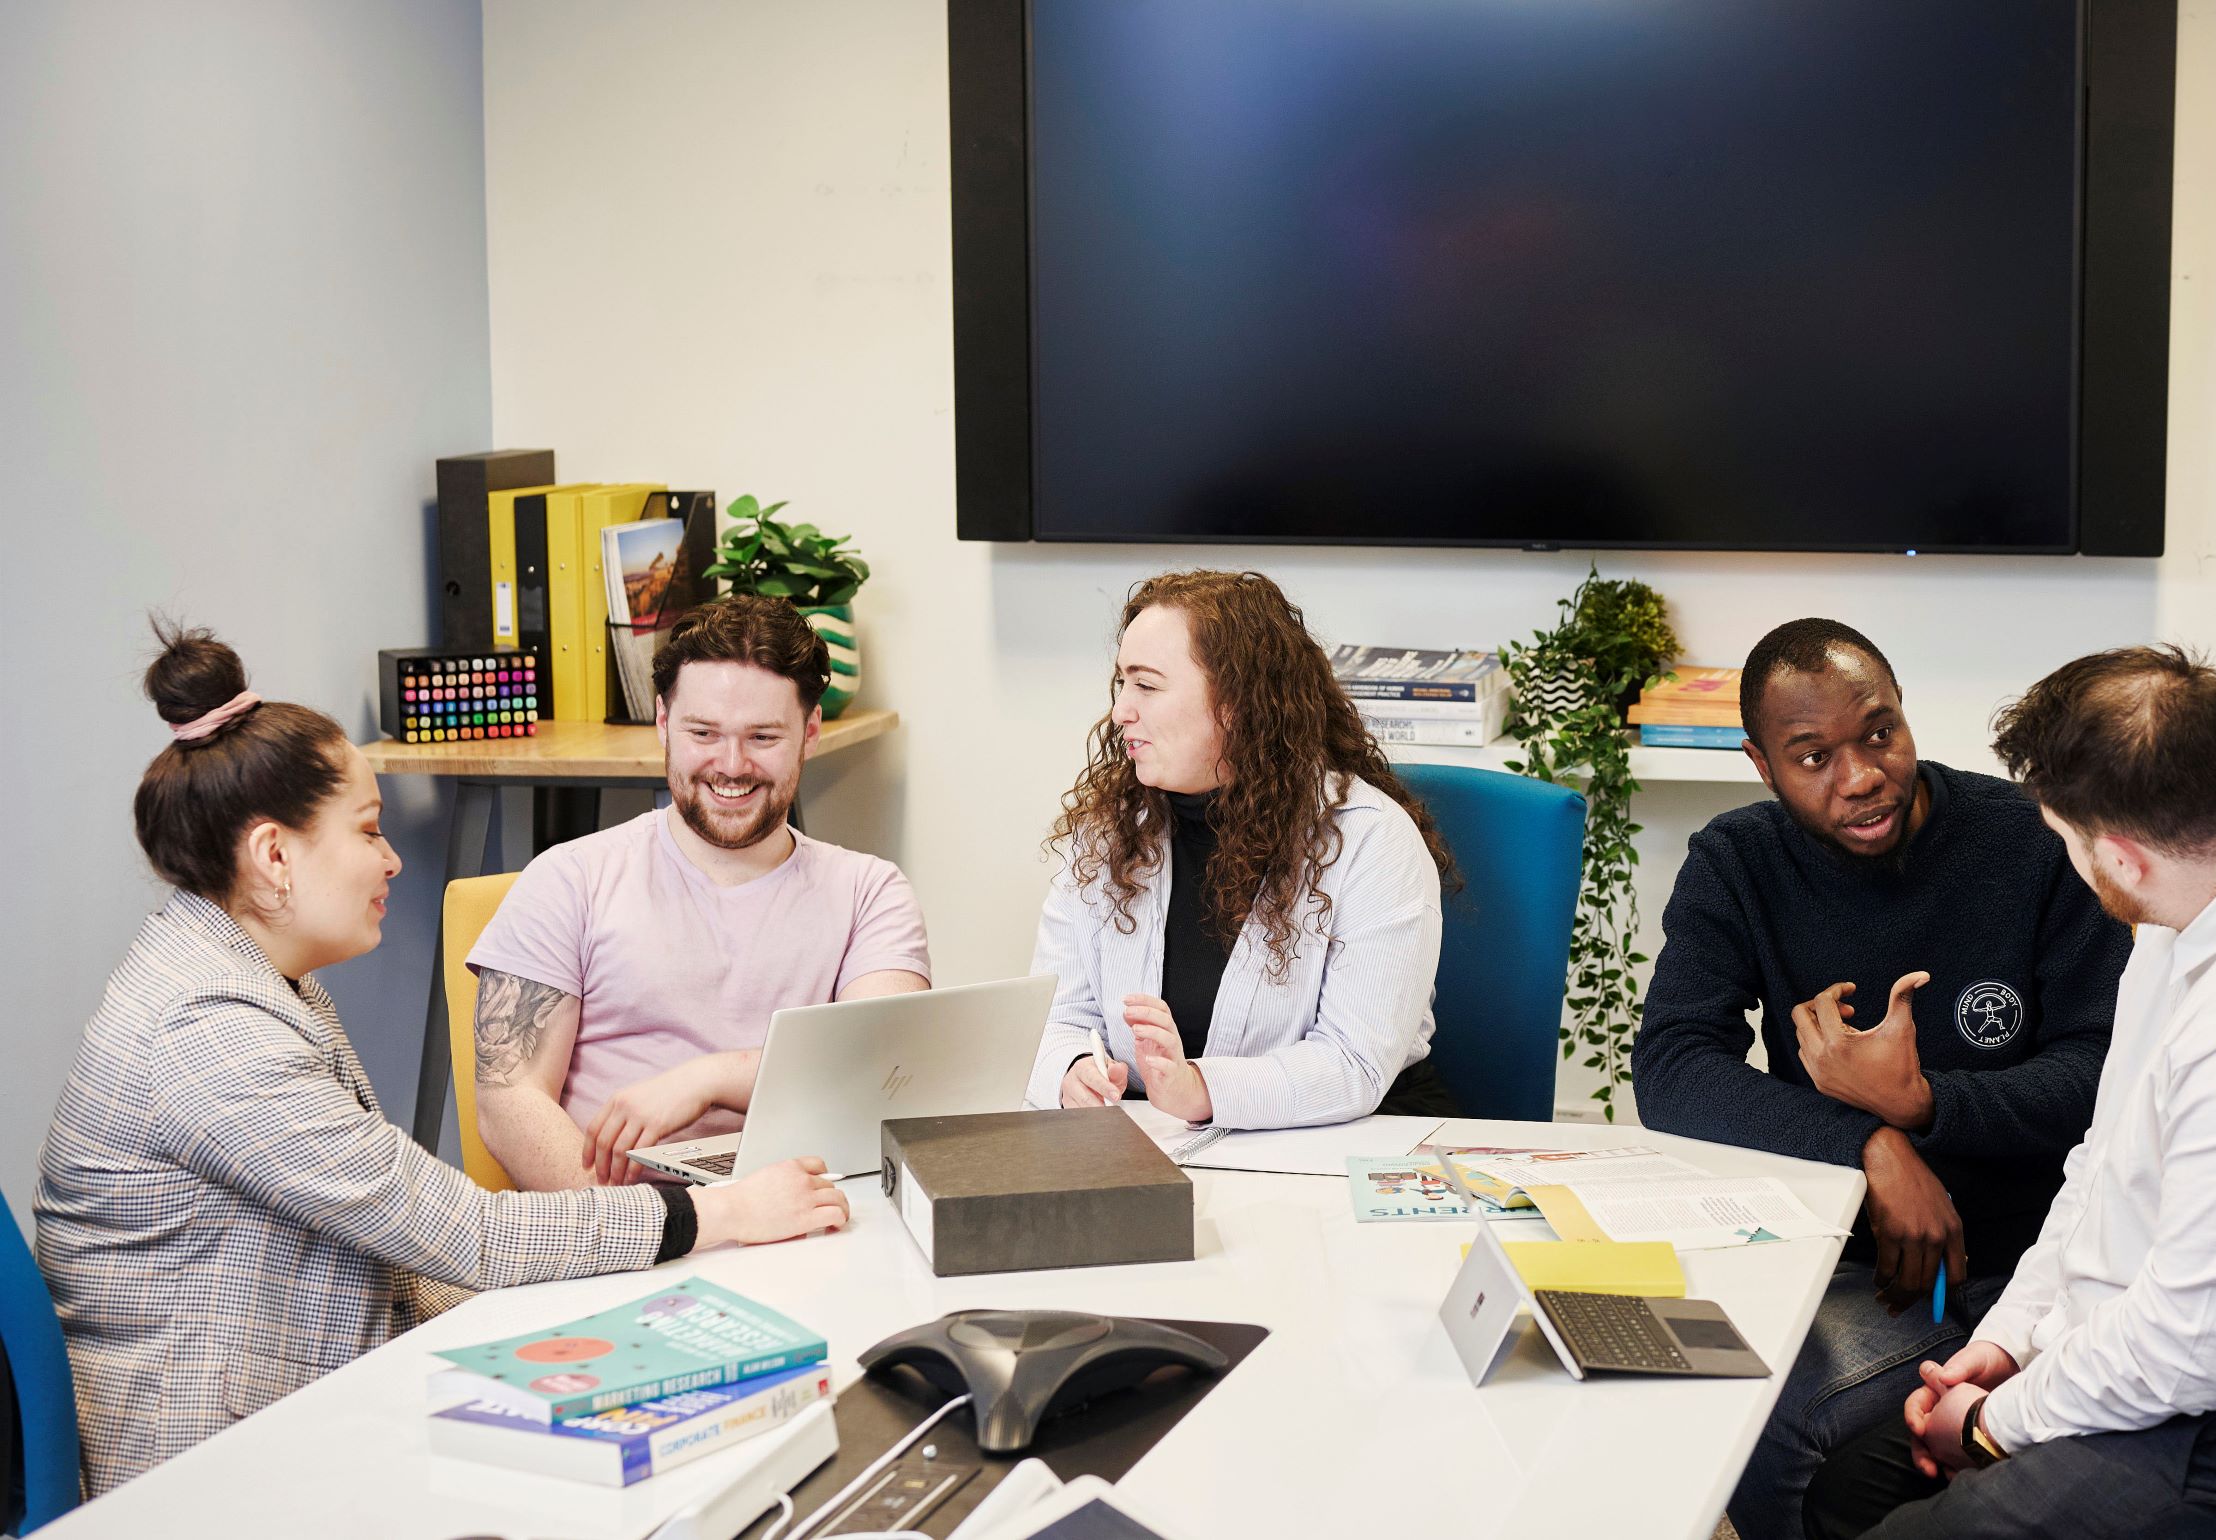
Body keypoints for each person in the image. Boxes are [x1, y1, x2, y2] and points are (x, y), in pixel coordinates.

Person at [35, 624, 850, 1493]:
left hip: (303, 1391)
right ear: (274, 855)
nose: (391, 860)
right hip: (210, 1464)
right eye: (368, 830)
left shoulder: (252, 978)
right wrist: (715, 1215)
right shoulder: (207, 1034)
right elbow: (464, 1233)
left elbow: (404, 1246)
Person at [1802, 645, 2216, 1540]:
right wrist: (2004, 1347)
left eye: (2067, 842)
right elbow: (2102, 1166)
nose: (2070, 862)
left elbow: (2182, 1348)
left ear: (2120, 857)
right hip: (2196, 1384)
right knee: (1850, 1489)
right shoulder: (2198, 903)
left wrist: (1986, 1424)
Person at [1630, 619, 2132, 1540]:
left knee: (1793, 1428)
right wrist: (1871, 1144)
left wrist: (1926, 1103)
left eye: (1878, 734)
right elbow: (1672, 1064)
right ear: (1760, 764)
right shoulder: (1736, 861)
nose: (1858, 776)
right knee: (1700, 1400)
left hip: (2027, 1263)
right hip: (1835, 1253)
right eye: (1811, 755)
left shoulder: (2030, 843)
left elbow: (2106, 1070)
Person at [468, 594, 930, 1190]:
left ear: (809, 733)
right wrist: (670, 1231)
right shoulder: (570, 878)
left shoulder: (871, 893)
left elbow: (886, 1072)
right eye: (703, 732)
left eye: (763, 737)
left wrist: (709, 1078)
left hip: (810, 1227)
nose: (730, 765)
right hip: (621, 1238)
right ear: (664, 722)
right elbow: (507, 1107)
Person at [1024, 569, 1452, 1127]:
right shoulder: (1109, 832)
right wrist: (1072, 1068)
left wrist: (1200, 1088)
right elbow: (1055, 1014)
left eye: (1147, 685)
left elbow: (1354, 1063)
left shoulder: (1370, 838)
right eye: (1121, 684)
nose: (1121, 711)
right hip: (1160, 1139)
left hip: (1350, 1139)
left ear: (1240, 703)